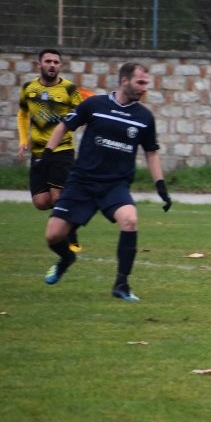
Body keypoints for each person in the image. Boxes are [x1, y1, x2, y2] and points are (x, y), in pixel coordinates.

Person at [36, 62, 172, 302]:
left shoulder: (144, 117)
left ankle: (121, 284)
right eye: (140, 82)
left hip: (115, 186)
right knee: (53, 236)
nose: (144, 88)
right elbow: (64, 126)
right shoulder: (95, 105)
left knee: (129, 220)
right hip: (82, 182)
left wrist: (160, 185)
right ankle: (67, 258)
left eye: (146, 83)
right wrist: (47, 155)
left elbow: (151, 153)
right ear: (124, 81)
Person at [17, 49, 85, 251]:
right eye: (48, 61)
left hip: (62, 150)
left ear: (60, 66)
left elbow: (81, 115)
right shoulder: (29, 88)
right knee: (40, 201)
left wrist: (70, 121)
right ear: (39, 65)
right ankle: (71, 214)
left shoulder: (69, 89)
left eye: (56, 62)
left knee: (57, 197)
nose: (52, 65)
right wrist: (23, 140)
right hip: (38, 152)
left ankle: (67, 231)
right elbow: (22, 115)